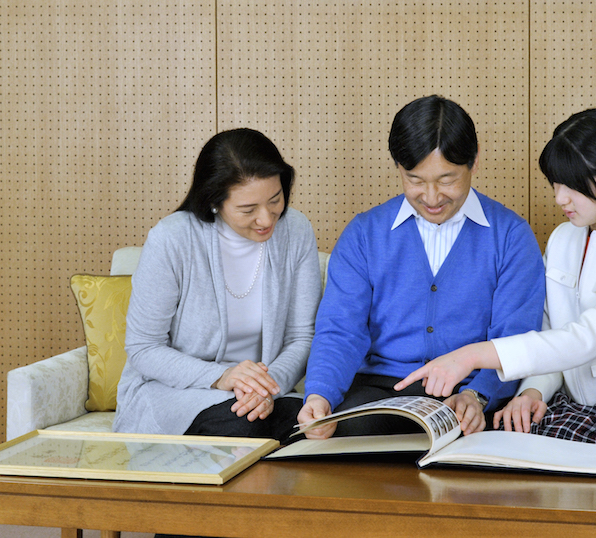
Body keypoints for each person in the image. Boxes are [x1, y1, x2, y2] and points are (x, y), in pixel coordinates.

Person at [396, 108, 596, 498]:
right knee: (503, 430)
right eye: (555, 184)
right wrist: (533, 393)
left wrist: (471, 356)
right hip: (592, 411)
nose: (559, 198)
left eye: (572, 185)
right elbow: (550, 329)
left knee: (543, 451)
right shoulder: (565, 238)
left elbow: (586, 338)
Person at [298, 95, 546, 439]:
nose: (431, 197)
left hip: (468, 395)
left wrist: (477, 395)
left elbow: (515, 337)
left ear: (473, 161)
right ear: (398, 167)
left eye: (447, 180)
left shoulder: (511, 236)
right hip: (380, 392)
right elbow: (341, 329)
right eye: (415, 180)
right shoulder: (365, 233)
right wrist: (319, 394)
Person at [113, 128, 322, 445]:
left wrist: (266, 386)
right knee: (242, 428)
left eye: (275, 200)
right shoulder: (171, 239)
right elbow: (144, 348)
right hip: (178, 392)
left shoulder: (296, 230)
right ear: (214, 201)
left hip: (266, 393)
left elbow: (301, 336)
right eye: (248, 210)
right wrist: (221, 377)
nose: (266, 219)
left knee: (317, 428)